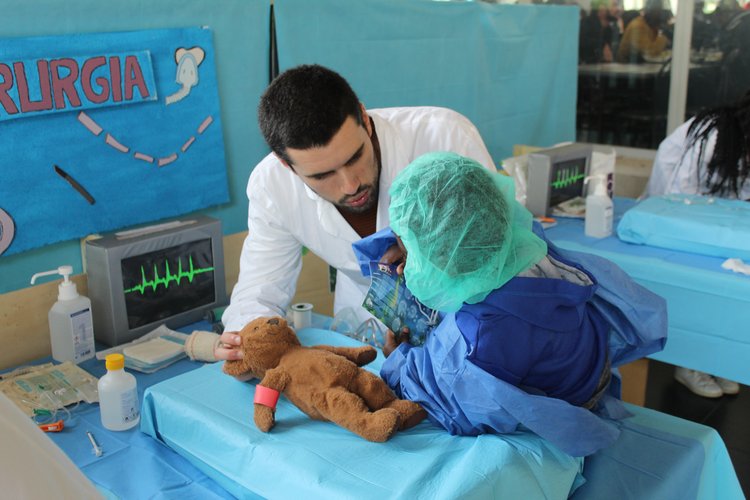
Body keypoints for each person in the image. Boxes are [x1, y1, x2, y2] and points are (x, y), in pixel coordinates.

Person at [353, 152, 667, 457]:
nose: (400, 252)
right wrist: (409, 248)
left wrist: (397, 360)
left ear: (439, 256)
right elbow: (447, 228)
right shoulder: (518, 239)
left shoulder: (483, 334)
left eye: (404, 245)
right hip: (585, 362)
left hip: (569, 401)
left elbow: (452, 404)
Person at [215, 65, 496, 361]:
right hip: (364, 328)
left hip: (471, 324)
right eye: (323, 175)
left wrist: (435, 260)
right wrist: (249, 341)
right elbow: (259, 291)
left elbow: (507, 255)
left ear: (365, 119)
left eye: (355, 157)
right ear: (288, 166)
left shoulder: (443, 136)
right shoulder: (272, 185)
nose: (351, 185)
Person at [645, 90, 750, 397]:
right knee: (695, 287)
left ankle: (716, 359)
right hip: (676, 214)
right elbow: (680, 196)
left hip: (719, 221)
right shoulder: (714, 134)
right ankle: (690, 363)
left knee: (727, 290)